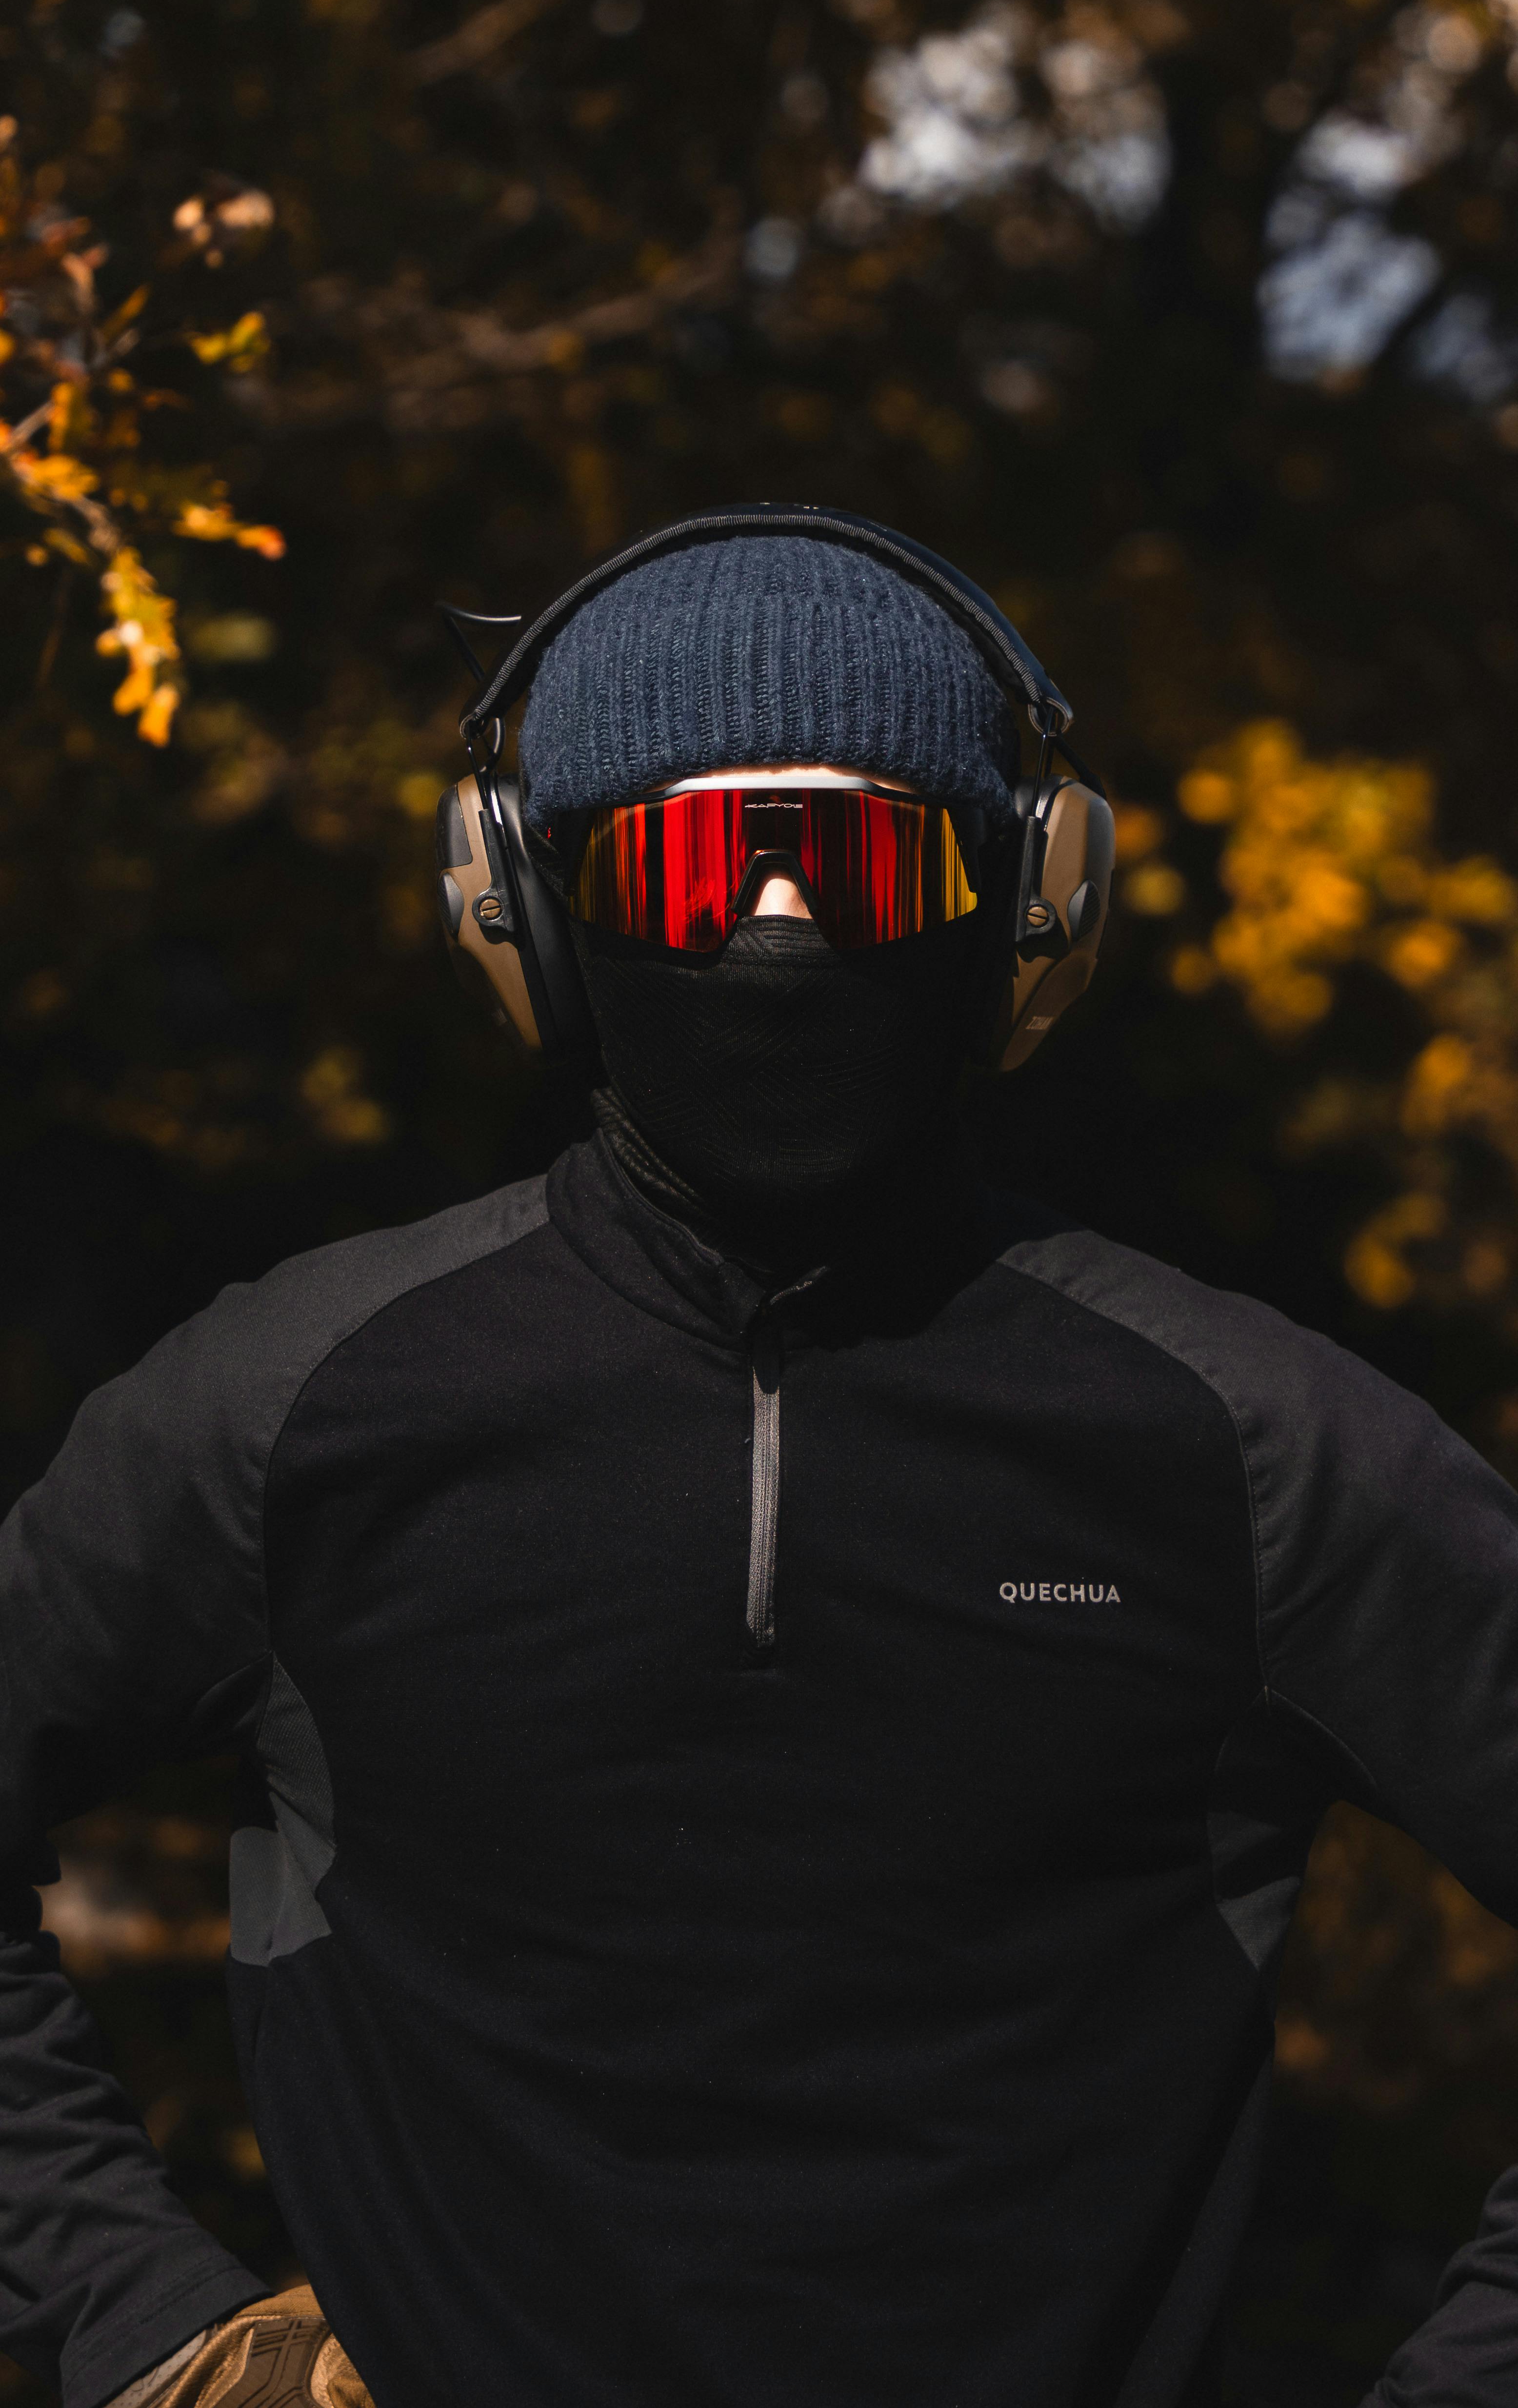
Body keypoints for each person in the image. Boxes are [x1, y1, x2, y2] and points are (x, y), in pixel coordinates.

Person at [4, 518, 1518, 2408]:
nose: (778, 931)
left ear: (1027, 907)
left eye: (874, 858)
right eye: (693, 855)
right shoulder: (285, 1412)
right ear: (527, 907)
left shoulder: (1248, 1447)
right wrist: (134, 2318)